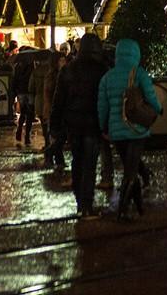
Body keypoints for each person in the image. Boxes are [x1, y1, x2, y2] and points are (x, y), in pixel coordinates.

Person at [97, 38, 162, 221]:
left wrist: (103, 125)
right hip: (136, 130)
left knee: (129, 167)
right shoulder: (139, 73)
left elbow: (102, 106)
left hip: (117, 132)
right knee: (130, 171)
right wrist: (159, 109)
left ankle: (139, 206)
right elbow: (150, 95)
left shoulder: (107, 77)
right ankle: (122, 211)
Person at [51, 32, 108, 216]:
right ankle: (87, 203)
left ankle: (79, 198)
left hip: (73, 121)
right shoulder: (102, 70)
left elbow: (58, 100)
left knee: (77, 160)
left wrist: (55, 125)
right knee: (90, 163)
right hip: (93, 121)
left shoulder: (68, 69)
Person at [12, 53, 36, 146]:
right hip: (29, 92)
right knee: (30, 114)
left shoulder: (18, 66)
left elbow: (14, 80)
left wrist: (15, 91)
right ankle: (27, 137)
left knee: (23, 113)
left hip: (21, 92)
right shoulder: (32, 66)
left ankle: (19, 130)